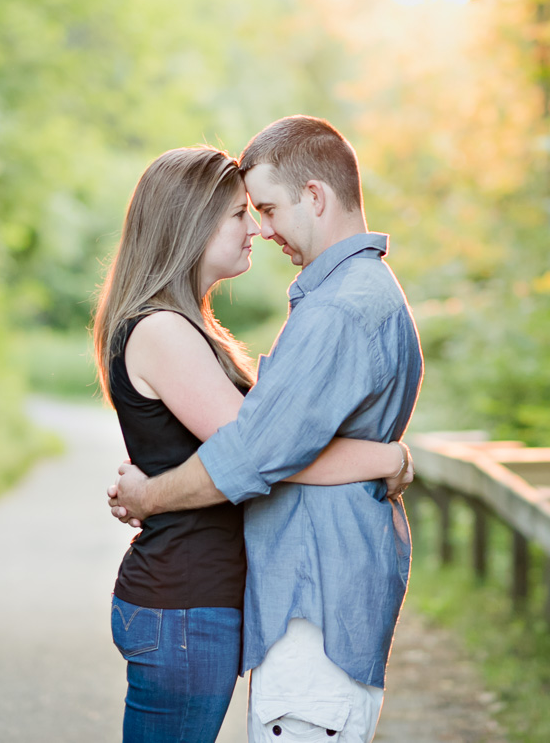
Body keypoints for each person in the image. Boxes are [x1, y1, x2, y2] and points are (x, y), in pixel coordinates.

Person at [109, 116, 423, 743]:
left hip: (227, 600)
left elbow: (261, 449)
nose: (259, 226)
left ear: (315, 197)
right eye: (240, 214)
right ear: (190, 225)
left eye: (264, 208)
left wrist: (388, 457)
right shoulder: (168, 330)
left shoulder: (323, 309)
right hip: (187, 601)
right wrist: (384, 458)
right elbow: (256, 451)